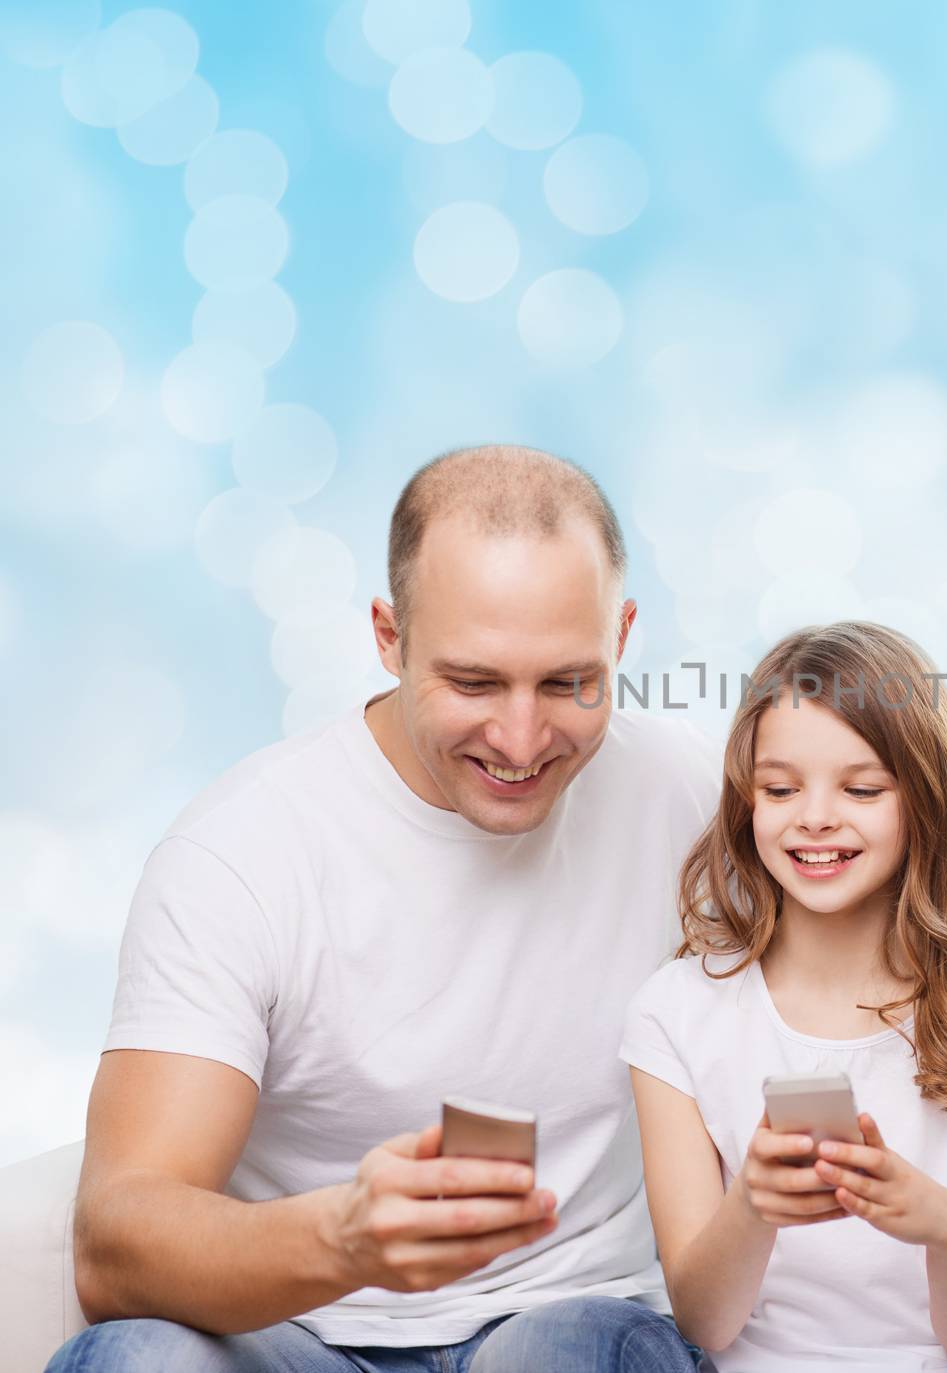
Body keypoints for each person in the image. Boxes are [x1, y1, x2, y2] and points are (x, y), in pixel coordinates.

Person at [47, 446, 720, 1372]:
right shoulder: (240, 852)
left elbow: (894, 929)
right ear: (388, 636)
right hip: (300, 1335)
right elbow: (114, 1243)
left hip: (565, 1322)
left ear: (623, 635)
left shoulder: (687, 790)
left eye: (569, 682)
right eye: (474, 682)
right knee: (134, 1358)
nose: (522, 740)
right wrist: (345, 1240)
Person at [620, 622, 947, 1372]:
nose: (814, 815)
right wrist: (752, 1203)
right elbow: (705, 1321)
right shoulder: (677, 1011)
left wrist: (943, 1226)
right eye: (781, 788)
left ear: (924, 802)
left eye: (861, 788)